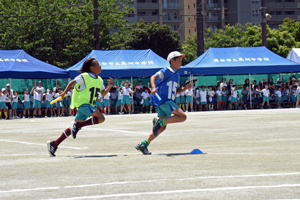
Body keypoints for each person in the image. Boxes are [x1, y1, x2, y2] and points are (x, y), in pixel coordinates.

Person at [47, 58, 113, 157]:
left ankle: (54, 144)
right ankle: (78, 126)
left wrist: (110, 86)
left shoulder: (99, 80)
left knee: (71, 129)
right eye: (98, 64)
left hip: (89, 105)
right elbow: (72, 82)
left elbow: (103, 93)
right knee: (101, 118)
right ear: (92, 68)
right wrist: (64, 92)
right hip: (82, 104)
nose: (100, 66)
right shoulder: (85, 76)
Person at [135, 51, 190, 155]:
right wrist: (154, 87)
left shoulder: (176, 74)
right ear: (172, 61)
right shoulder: (166, 70)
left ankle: (143, 144)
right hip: (165, 101)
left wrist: (184, 88)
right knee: (182, 116)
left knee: (162, 127)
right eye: (179, 60)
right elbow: (153, 77)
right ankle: (159, 122)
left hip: (166, 101)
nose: (181, 61)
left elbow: (175, 91)